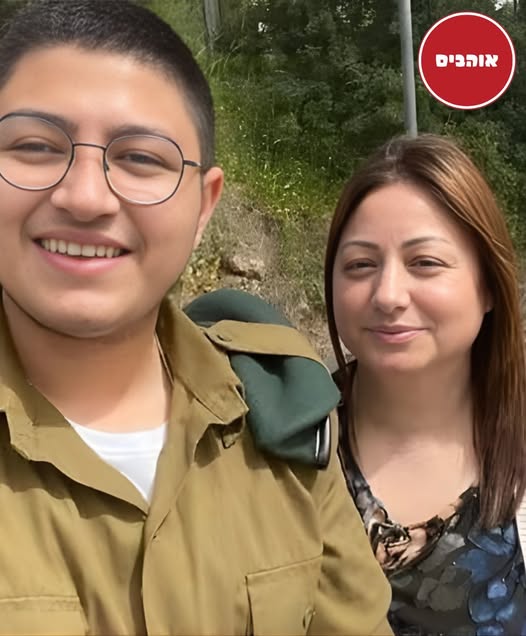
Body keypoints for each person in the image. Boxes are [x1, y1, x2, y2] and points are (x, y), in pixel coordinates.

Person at [0, 0, 395, 634]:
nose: (85, 197)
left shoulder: (280, 422)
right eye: (35, 147)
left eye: (140, 158)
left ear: (204, 207)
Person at [325, 133, 526, 635]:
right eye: (361, 265)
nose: (388, 295)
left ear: (488, 285)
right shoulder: (281, 447)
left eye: (425, 263)